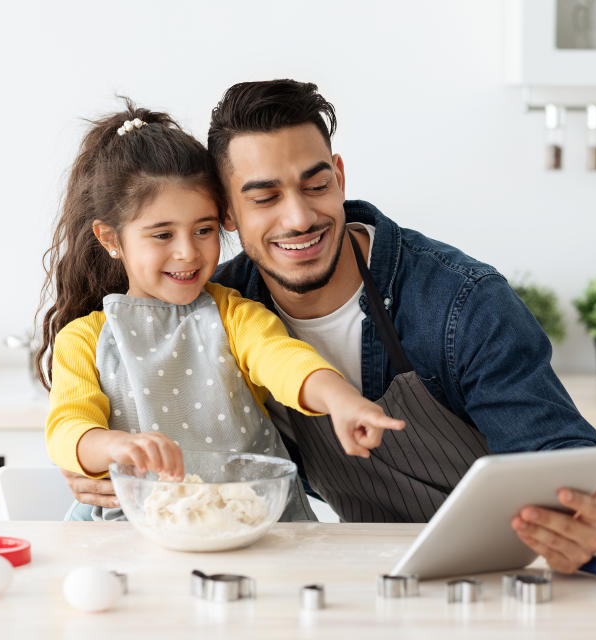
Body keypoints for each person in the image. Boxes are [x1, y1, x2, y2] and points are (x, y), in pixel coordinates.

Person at [63, 81, 596, 573]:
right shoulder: (215, 305)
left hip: (501, 570)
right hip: (364, 569)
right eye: (265, 197)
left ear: (339, 177)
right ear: (230, 215)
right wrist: (95, 470)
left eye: (315, 185)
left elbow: (567, 455)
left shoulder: (458, 301)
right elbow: (108, 414)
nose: (299, 217)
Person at [37, 100, 404, 521]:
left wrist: (341, 400)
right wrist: (113, 447)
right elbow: (67, 428)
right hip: (137, 528)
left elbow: (284, 361)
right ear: (111, 239)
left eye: (204, 230)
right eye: (162, 234)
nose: (187, 252)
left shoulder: (232, 313)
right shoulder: (84, 339)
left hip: (247, 520)